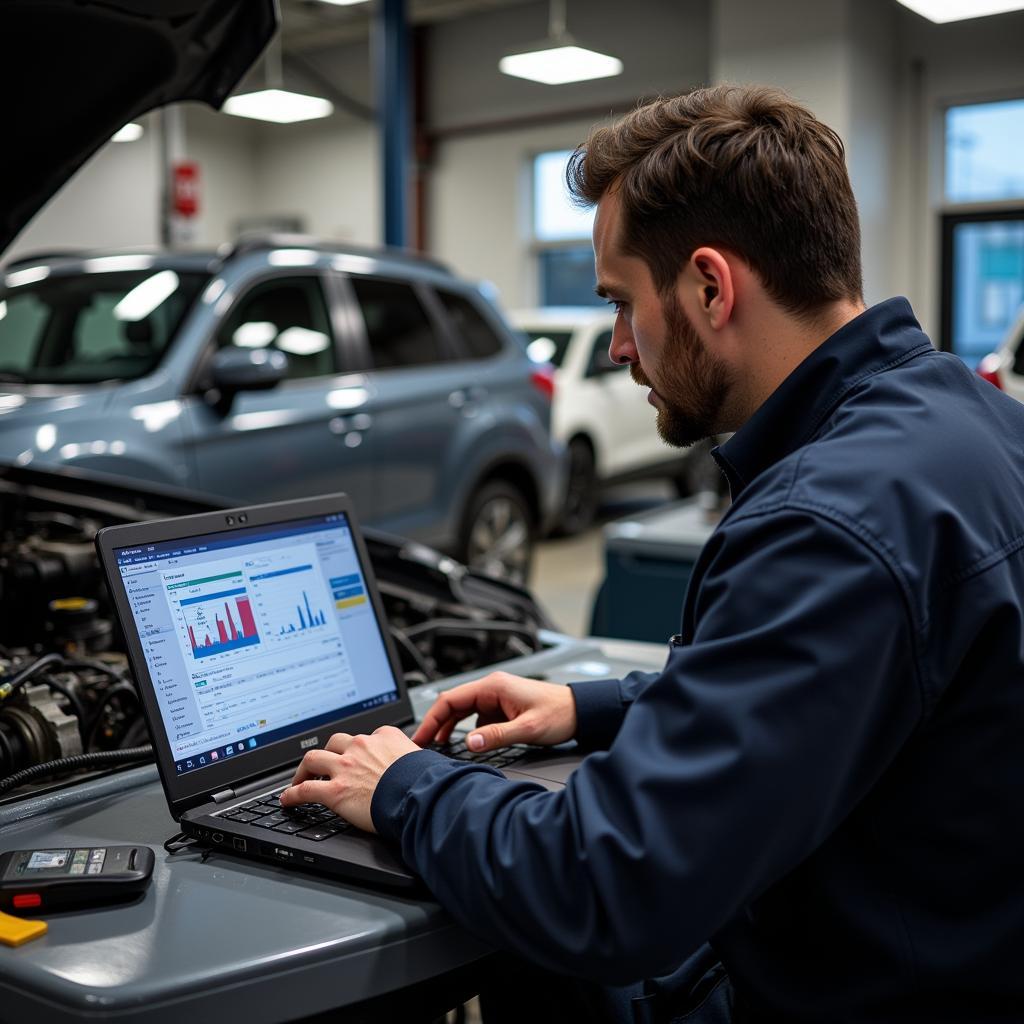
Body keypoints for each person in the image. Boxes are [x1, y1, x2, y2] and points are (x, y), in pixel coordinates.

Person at [280, 84, 1024, 1022]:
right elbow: (847, 689)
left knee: (533, 945)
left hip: (857, 989)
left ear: (711, 287)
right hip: (945, 940)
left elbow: (603, 889)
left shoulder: (828, 521)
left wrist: (403, 785)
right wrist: (591, 708)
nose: (623, 347)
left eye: (623, 304)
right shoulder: (972, 423)